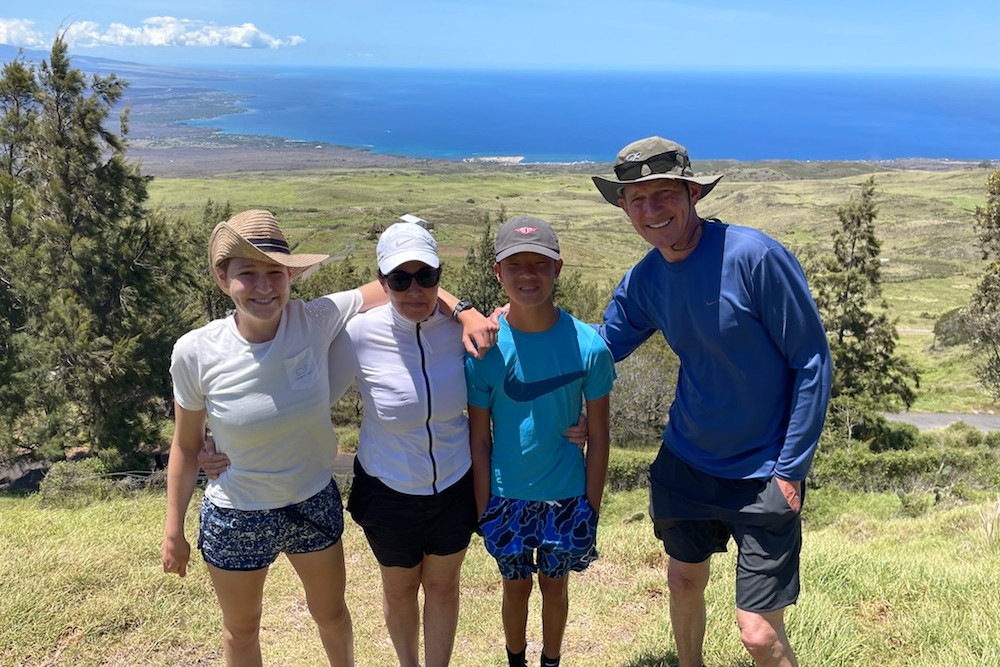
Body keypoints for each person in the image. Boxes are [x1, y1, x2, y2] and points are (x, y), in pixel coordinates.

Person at [161, 210, 496, 666]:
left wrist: (463, 310)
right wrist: (174, 528)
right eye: (248, 274)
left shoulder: (314, 318)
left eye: (274, 273)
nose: (264, 287)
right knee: (240, 632)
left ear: (289, 277)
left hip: (313, 499)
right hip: (238, 509)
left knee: (334, 616)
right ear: (222, 278)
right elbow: (184, 444)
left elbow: (404, 284)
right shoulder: (196, 351)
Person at [590, 137, 833, 667]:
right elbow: (601, 346)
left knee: (758, 637)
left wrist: (791, 470)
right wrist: (513, 324)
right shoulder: (647, 278)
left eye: (663, 194)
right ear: (624, 209)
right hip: (687, 461)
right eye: (637, 200)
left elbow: (812, 361)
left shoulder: (754, 257)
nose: (652, 210)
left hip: (765, 470)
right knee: (683, 578)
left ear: (692, 193)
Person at [466, 216, 616, 667]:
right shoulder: (484, 350)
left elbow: (602, 434)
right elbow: (479, 439)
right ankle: (517, 660)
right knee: (515, 588)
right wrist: (483, 510)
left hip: (567, 498)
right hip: (505, 498)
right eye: (515, 265)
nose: (528, 274)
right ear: (498, 272)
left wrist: (590, 506)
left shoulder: (590, 347)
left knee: (555, 585)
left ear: (558, 269)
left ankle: (551, 660)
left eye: (540, 263)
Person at [329, 221, 477, 667]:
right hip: (388, 488)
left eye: (426, 277)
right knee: (398, 591)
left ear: (439, 277)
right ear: (381, 282)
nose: (415, 290)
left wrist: (576, 416)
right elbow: (310, 399)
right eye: (400, 279)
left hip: (455, 482)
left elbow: (508, 387)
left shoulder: (461, 330)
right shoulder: (358, 334)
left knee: (445, 588)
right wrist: (224, 439)